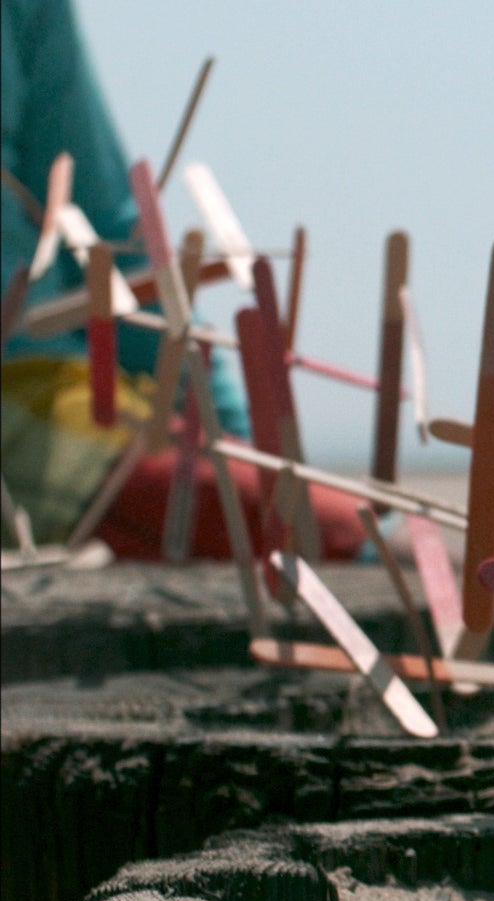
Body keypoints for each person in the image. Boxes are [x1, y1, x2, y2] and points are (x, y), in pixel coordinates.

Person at [2, 0, 365, 558]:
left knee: (347, 534)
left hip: (55, 392)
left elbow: (110, 230)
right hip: (27, 421)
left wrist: (235, 435)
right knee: (337, 538)